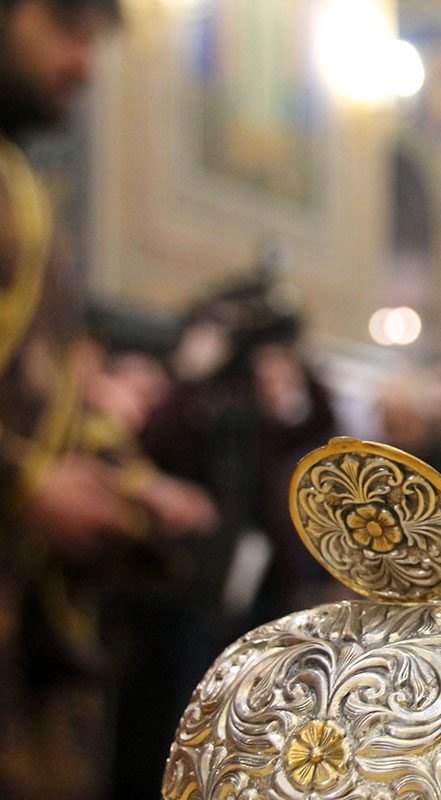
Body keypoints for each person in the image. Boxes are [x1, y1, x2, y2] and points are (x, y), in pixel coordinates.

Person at [0, 2, 213, 797]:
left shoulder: (19, 181)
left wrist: (133, 483)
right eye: (67, 29)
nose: (85, 66)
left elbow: (52, 384)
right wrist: (24, 485)